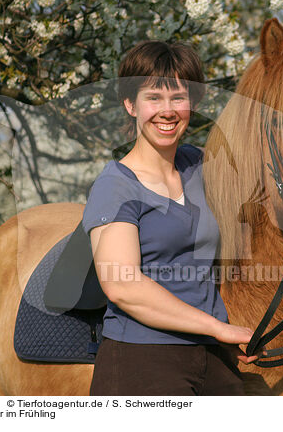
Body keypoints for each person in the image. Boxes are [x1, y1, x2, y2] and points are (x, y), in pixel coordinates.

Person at [81, 41, 257, 396]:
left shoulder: (201, 166)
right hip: (143, 358)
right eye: (154, 98)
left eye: (178, 97)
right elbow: (122, 286)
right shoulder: (115, 186)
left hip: (214, 359)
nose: (168, 111)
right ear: (130, 104)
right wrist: (218, 328)